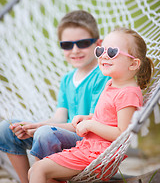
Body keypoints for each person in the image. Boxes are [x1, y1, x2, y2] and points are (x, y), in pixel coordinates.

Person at [28, 27, 154, 183]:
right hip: (87, 148)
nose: (104, 56)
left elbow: (123, 134)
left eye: (113, 52)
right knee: (37, 171)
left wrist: (90, 125)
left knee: (39, 170)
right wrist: (88, 117)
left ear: (133, 64)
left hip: (100, 156)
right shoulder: (111, 85)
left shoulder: (128, 93)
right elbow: (108, 118)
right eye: (101, 51)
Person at [0, 10, 111, 183]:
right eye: (67, 45)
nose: (74, 50)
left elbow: (92, 125)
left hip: (89, 142)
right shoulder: (67, 79)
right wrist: (33, 126)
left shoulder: (103, 75)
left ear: (98, 44)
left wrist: (41, 128)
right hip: (64, 135)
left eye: (82, 43)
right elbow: (59, 117)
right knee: (7, 129)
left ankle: (45, 176)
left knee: (45, 133)